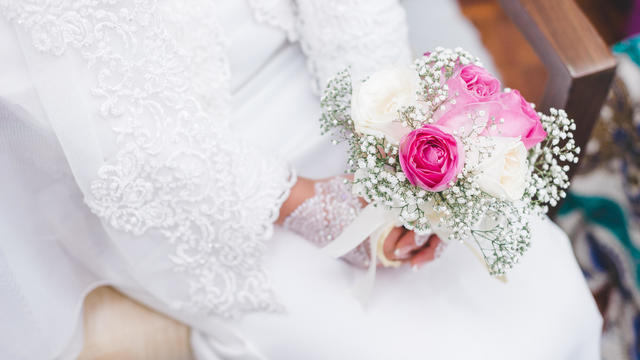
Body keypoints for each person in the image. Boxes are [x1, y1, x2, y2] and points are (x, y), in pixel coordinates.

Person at [0, 0, 602, 359]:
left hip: (313, 90)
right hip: (190, 178)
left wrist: (387, 142)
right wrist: (321, 211)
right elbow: (126, 141)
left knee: (549, 296)